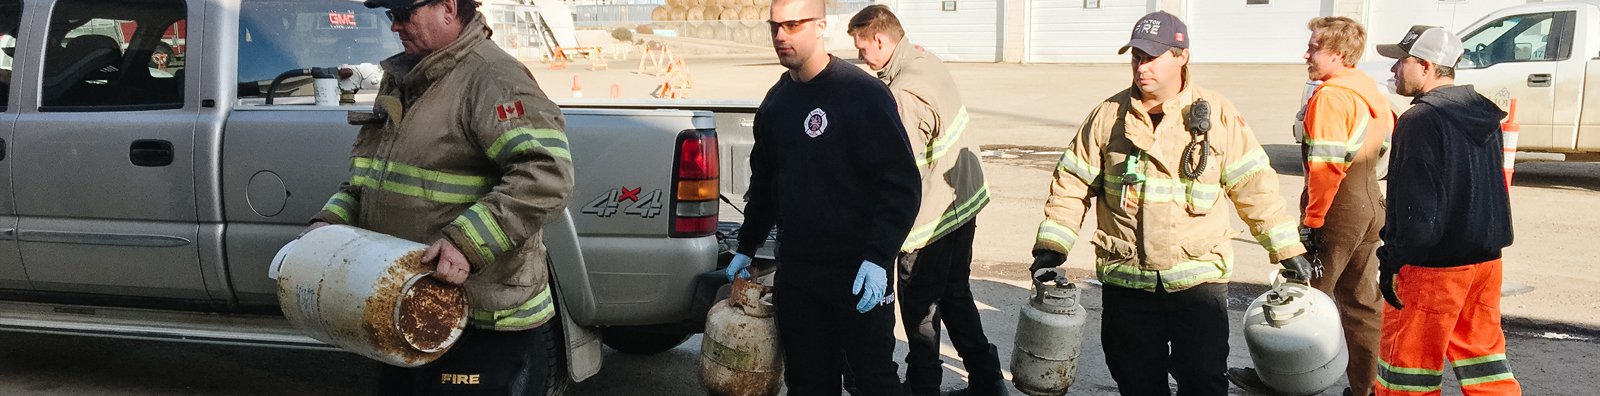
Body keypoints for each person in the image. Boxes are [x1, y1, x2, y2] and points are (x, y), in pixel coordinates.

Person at [1028, 11, 1316, 396]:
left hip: (1196, 284)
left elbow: (1254, 187)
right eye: (1135, 57)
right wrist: (1052, 246)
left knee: (1203, 379)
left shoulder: (1218, 116)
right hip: (1127, 282)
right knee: (1135, 381)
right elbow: (1071, 184)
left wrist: (1285, 249)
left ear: (1181, 56)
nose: (1140, 66)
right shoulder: (1106, 118)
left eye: (1151, 57)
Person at [308, 0, 575, 394]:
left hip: (479, 317)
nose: (395, 25)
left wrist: (464, 244)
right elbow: (371, 180)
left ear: (448, 7)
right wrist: (329, 225)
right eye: (389, 15)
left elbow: (547, 175)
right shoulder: (404, 77)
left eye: (403, 12)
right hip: (408, 302)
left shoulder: (492, 78)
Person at [722, 0, 921, 394]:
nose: (781, 36)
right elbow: (765, 184)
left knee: (873, 380)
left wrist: (879, 257)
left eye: (793, 25)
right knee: (808, 382)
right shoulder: (777, 104)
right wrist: (747, 244)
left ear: (820, 27)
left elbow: (901, 184)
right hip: (799, 276)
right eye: (775, 26)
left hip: (857, 273)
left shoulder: (862, 95)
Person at [1228, 16, 1392, 396]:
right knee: (1362, 301)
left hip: (1339, 207)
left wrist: (1312, 220)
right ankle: (1366, 387)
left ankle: (1283, 381)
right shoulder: (1368, 90)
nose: (1307, 53)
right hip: (1370, 202)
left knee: (1299, 297)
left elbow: (1325, 167)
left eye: (1314, 47)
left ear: (1337, 54)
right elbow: (1384, 149)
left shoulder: (1332, 96)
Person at [845, 5, 1003, 396]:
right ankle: (988, 381)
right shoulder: (923, 58)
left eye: (862, 48)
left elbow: (899, 173)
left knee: (920, 313)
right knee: (955, 295)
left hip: (930, 220)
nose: (860, 58)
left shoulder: (904, 93)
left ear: (880, 40)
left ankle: (922, 386)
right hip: (963, 204)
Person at [1373, 25, 1521, 396]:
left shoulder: (1419, 120)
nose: (1393, 71)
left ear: (1425, 66)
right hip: (1485, 263)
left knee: (1407, 370)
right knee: (1484, 361)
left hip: (1433, 269)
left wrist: (1392, 260)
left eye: (1400, 62)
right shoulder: (1482, 113)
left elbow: (1416, 213)